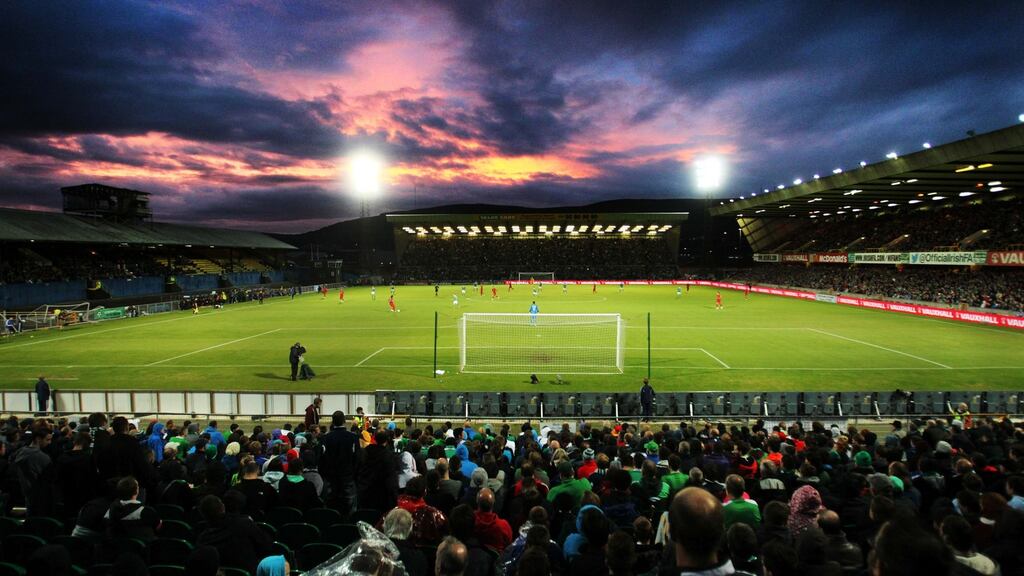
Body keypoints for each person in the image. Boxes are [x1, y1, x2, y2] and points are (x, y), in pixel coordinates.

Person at [320, 411, 360, 515]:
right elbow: (357, 459)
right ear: (344, 421)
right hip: (348, 477)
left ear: (333, 422)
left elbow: (322, 459)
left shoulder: (326, 438)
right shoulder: (353, 437)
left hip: (331, 479)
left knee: (330, 510)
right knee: (350, 510)